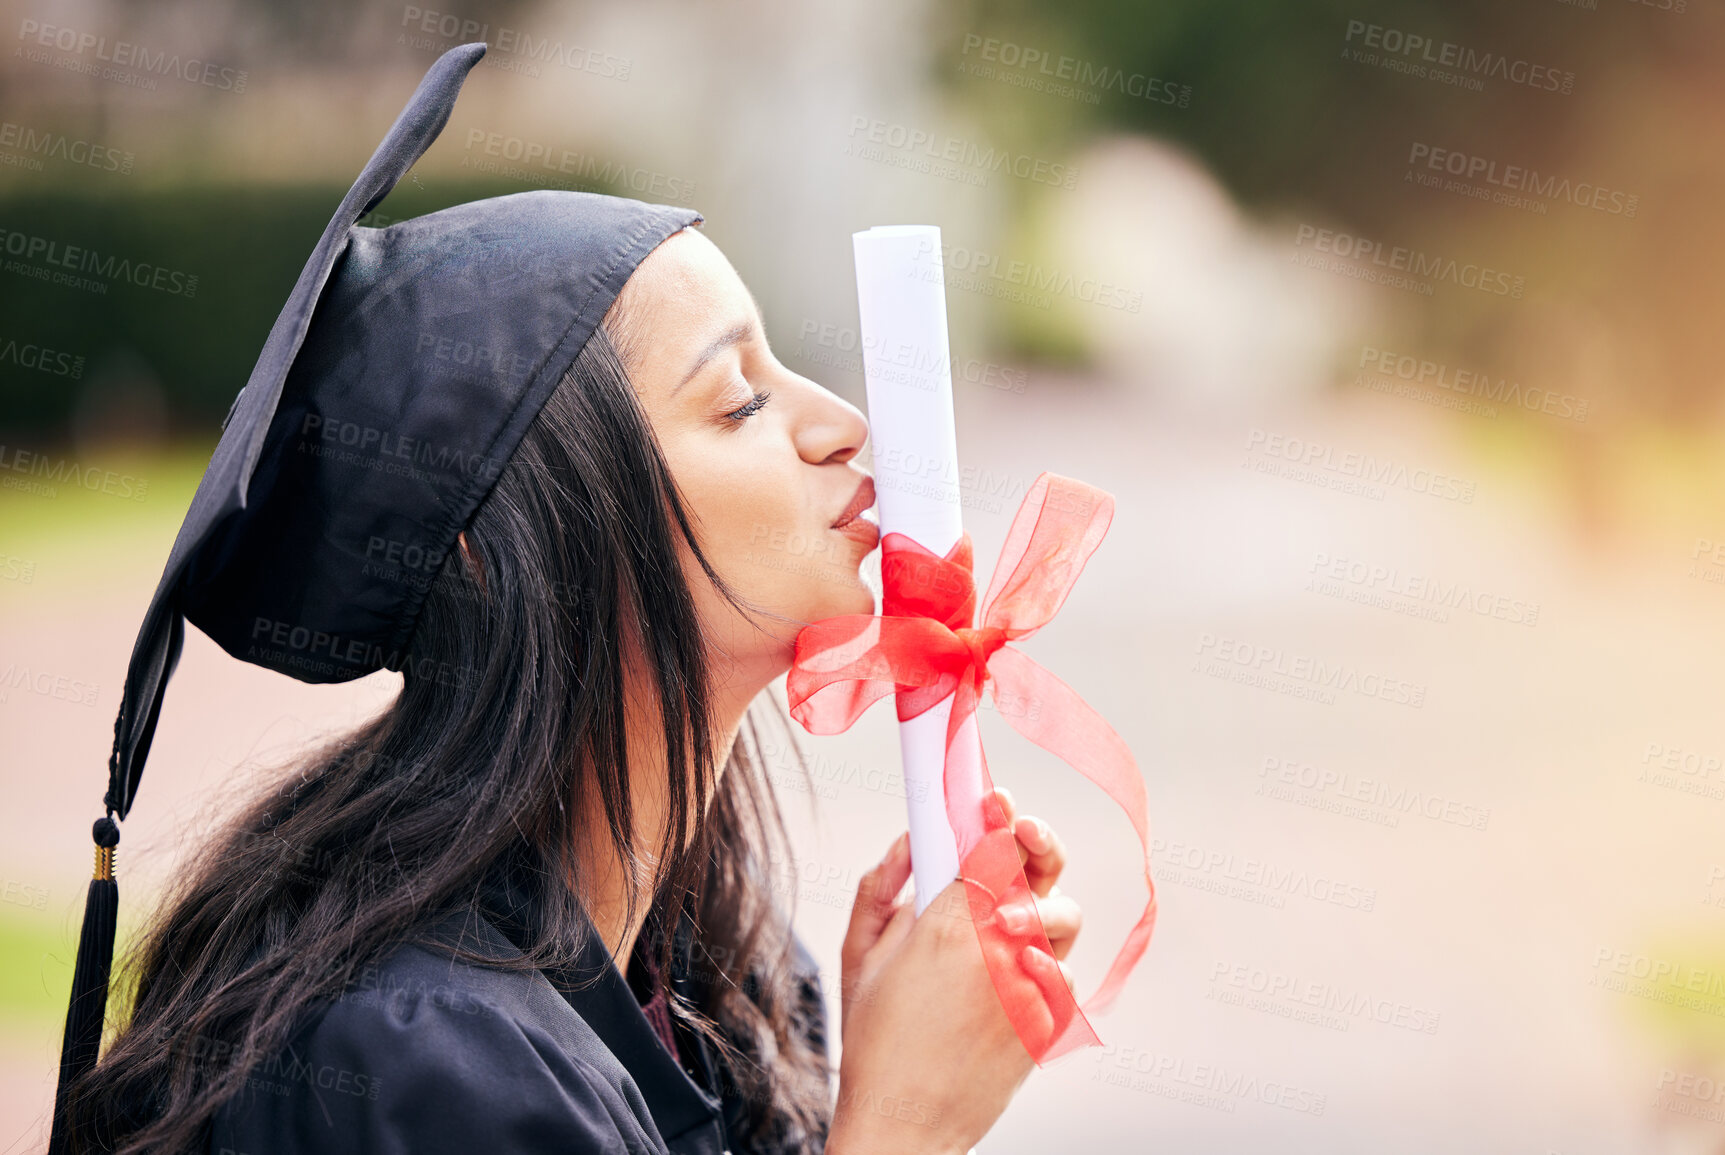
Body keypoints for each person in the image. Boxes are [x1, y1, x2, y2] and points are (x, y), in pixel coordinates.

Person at [50, 43, 1083, 1155]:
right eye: (738, 401)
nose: (839, 422)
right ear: (501, 556)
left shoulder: (715, 974)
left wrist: (887, 1029)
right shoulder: (412, 1061)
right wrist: (903, 1124)